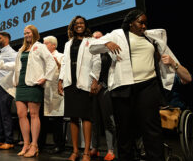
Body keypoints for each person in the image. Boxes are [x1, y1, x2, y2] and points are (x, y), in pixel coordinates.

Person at [89, 9, 180, 161]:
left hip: (148, 85)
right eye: (140, 22)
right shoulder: (117, 34)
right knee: (125, 130)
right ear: (131, 23)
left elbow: (166, 53)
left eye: (145, 23)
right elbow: (92, 47)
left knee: (152, 129)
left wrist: (178, 70)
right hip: (124, 87)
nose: (144, 26)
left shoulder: (150, 38)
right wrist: (107, 42)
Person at [58, 16, 101, 161]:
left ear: (85, 25)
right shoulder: (68, 43)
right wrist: (60, 80)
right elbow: (64, 63)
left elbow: (97, 62)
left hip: (85, 83)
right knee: (73, 117)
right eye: (76, 24)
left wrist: (95, 81)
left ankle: (87, 152)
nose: (79, 25)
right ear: (73, 27)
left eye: (81, 23)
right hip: (70, 83)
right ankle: (75, 151)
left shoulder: (92, 41)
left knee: (86, 117)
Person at [13, 25, 56, 158]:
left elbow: (51, 62)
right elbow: (17, 67)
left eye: (29, 33)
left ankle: (34, 145)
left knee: (33, 114)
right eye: (25, 33)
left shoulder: (40, 46)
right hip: (21, 84)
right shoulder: (21, 49)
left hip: (33, 84)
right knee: (21, 114)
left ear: (34, 34)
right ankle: (26, 144)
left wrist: (45, 77)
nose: (26, 35)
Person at [90, 31, 116, 161]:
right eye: (94, 38)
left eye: (99, 37)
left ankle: (111, 149)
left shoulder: (109, 53)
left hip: (105, 88)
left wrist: (102, 84)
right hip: (91, 90)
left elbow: (112, 70)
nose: (96, 39)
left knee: (108, 120)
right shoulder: (90, 52)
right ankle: (94, 148)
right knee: (94, 120)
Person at [39, 35, 65, 154]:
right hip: (43, 91)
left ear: (53, 45)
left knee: (57, 119)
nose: (43, 45)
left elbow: (64, 72)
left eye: (45, 43)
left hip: (55, 91)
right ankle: (40, 144)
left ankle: (59, 145)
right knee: (42, 119)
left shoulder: (61, 56)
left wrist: (57, 64)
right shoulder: (42, 57)